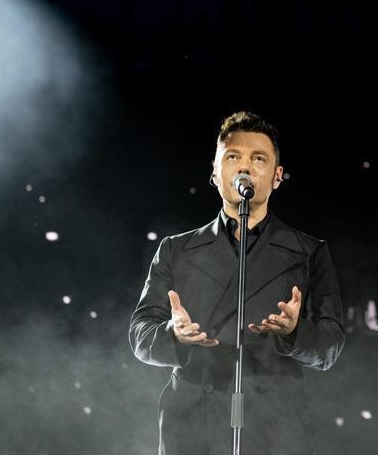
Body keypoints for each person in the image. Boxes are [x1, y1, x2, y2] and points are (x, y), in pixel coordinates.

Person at [129, 111, 345, 455]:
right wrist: (173, 334)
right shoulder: (175, 249)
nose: (244, 167)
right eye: (233, 157)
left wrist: (294, 332)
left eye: (258, 159)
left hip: (275, 429)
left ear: (277, 176)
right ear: (215, 172)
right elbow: (140, 335)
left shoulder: (309, 252)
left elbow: (330, 345)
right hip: (193, 427)